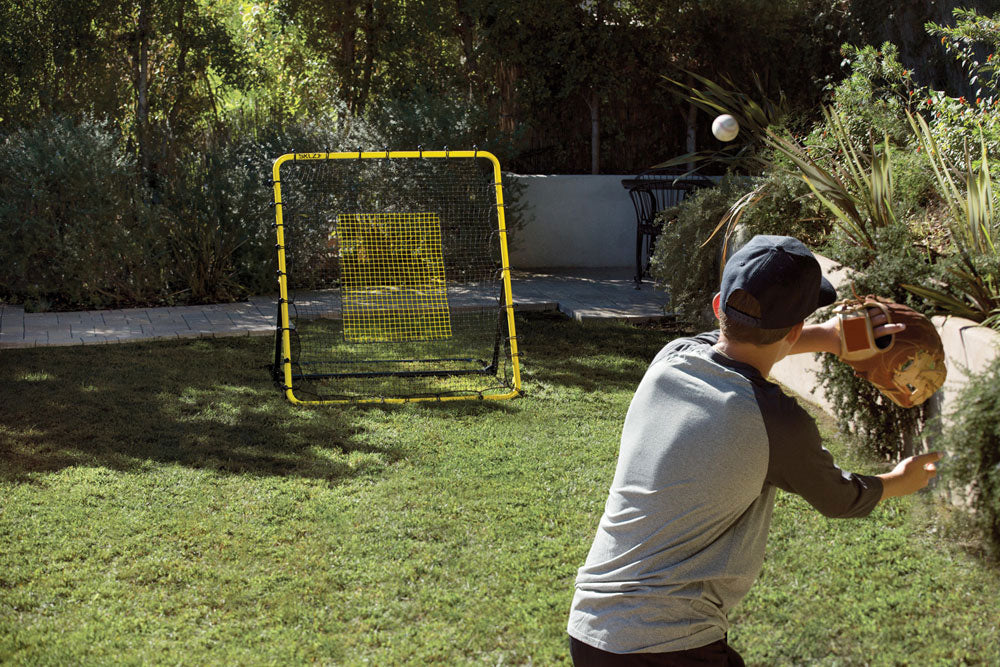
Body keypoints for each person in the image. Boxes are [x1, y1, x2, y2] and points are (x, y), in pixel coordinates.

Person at [566, 235, 942, 666]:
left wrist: (834, 339)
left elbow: (740, 344)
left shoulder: (673, 356)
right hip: (668, 642)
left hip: (591, 627)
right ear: (797, 328)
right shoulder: (775, 420)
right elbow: (840, 499)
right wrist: (901, 481)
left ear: (716, 306)